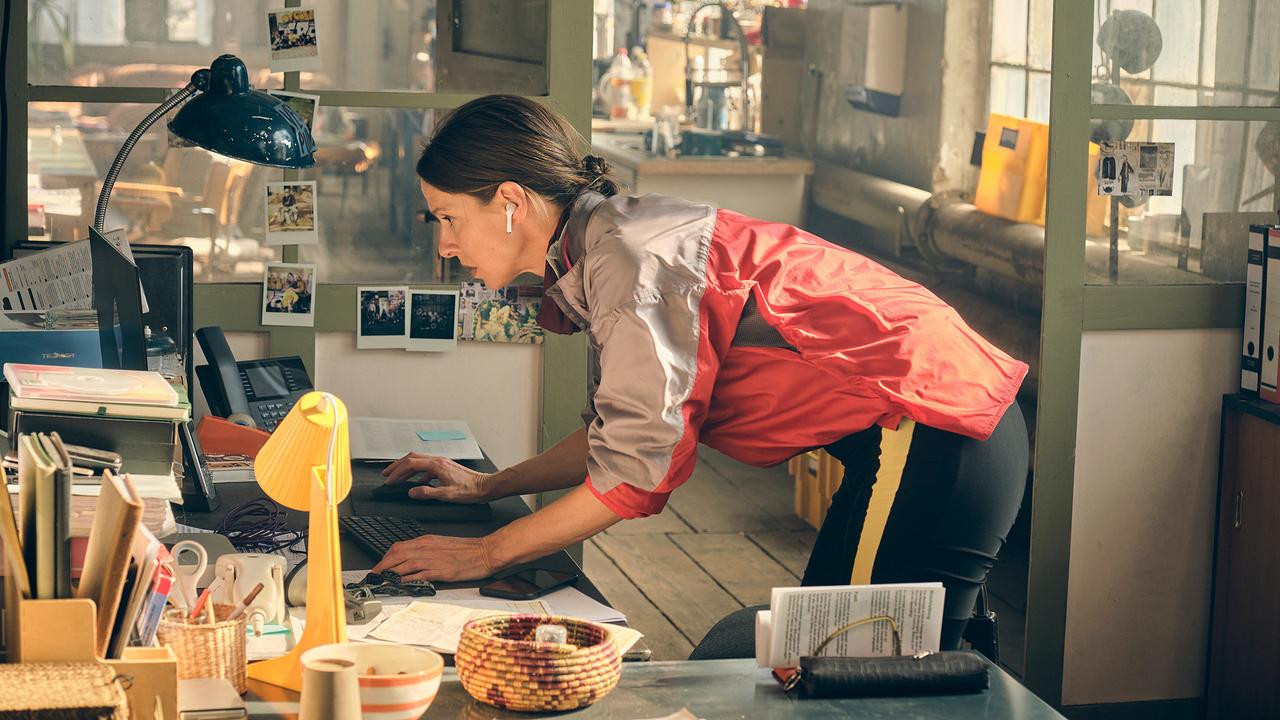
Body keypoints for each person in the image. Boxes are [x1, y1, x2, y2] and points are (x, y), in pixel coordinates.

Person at [373, 95, 1030, 655]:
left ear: (511, 201)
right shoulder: (601, 248)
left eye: (449, 218)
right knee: (833, 657)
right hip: (910, 440)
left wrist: (488, 552)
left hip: (937, 428)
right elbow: (617, 433)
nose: (445, 245)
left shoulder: (628, 261)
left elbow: (635, 474)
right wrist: (490, 485)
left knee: (858, 670)